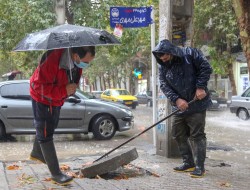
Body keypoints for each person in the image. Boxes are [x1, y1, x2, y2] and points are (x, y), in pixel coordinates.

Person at [29, 46, 95, 185]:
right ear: (76, 56)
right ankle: (56, 174)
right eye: (86, 61)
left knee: (50, 126)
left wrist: (68, 90)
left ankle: (37, 153)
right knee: (46, 133)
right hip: (42, 98)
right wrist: (63, 90)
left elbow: (72, 79)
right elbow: (37, 85)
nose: (86, 65)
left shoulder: (76, 62)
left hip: (57, 98)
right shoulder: (52, 59)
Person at [152, 39, 213, 178]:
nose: (163, 58)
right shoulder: (163, 66)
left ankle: (200, 167)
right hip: (179, 107)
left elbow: (206, 67)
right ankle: (188, 162)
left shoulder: (190, 53)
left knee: (197, 135)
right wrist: (177, 99)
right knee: (178, 133)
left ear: (171, 51)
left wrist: (200, 87)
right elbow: (164, 85)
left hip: (196, 103)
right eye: (160, 56)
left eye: (165, 55)